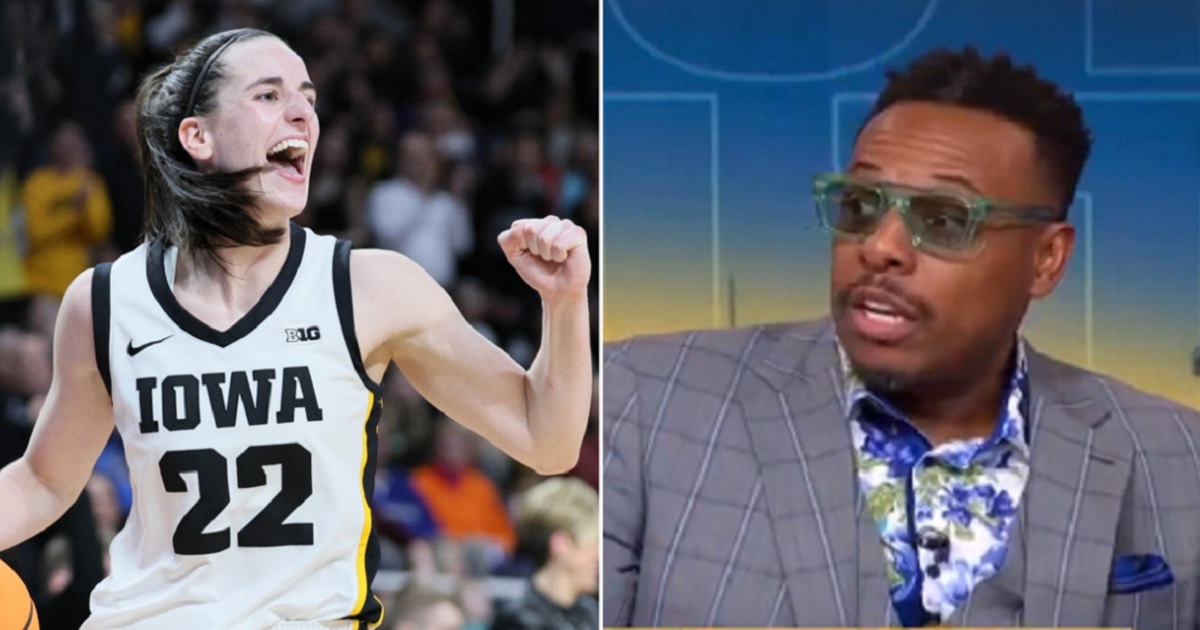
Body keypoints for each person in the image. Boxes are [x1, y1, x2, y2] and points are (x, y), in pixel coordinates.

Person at [0, 27, 592, 630]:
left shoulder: (373, 287)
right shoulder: (103, 301)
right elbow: (44, 480)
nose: (303, 113)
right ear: (197, 136)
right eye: (269, 95)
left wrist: (565, 303)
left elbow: (546, 440)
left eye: (308, 97)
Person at [602, 46, 1200, 628]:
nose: (880, 247)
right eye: (860, 204)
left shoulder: (1179, 457)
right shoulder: (647, 403)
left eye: (943, 219)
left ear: (1046, 259)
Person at [491, 476, 599, 630]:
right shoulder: (518, 620)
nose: (599, 555)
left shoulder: (592, 613)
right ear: (561, 545)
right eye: (594, 543)